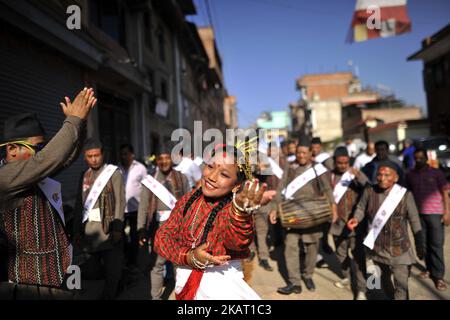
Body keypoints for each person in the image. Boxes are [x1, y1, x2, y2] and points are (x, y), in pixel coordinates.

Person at [0, 88, 96, 299]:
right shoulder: (4, 178)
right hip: (28, 283)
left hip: (57, 272)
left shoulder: (34, 174)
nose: (43, 151)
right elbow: (48, 159)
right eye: (38, 146)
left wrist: (80, 122)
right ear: (13, 149)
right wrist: (73, 120)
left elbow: (64, 158)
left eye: (44, 146)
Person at [153, 142, 269, 300]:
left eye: (224, 175)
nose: (212, 177)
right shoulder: (189, 199)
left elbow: (236, 242)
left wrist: (240, 212)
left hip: (222, 289)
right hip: (184, 284)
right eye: (210, 166)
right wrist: (189, 256)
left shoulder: (232, 209)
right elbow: (161, 238)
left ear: (236, 186)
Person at [347, 162, 425, 300]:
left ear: (395, 178)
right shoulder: (369, 191)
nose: (382, 178)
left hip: (399, 249)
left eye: (386, 175)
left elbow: (415, 221)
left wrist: (420, 244)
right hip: (378, 248)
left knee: (401, 285)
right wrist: (356, 218)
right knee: (383, 281)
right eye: (379, 174)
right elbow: (361, 207)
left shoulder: (405, 195)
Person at [269, 141, 337, 295]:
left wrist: (333, 206)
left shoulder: (317, 169)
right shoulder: (290, 167)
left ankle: (308, 275)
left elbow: (327, 188)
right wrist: (274, 208)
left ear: (310, 154)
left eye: (304, 153)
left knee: (312, 248)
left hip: (313, 214)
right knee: (290, 248)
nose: (301, 155)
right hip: (292, 215)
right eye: (298, 152)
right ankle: (295, 282)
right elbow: (280, 188)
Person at [73, 138, 125, 300]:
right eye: (90, 156)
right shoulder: (84, 175)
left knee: (112, 269)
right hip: (89, 230)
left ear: (103, 155)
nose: (94, 159)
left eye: (97, 155)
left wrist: (117, 227)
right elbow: (78, 204)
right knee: (91, 270)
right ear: (85, 157)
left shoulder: (113, 173)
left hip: (108, 228)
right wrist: (76, 231)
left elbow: (120, 201)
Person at [137, 144, 191, 300]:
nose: (164, 161)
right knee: (157, 264)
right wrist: (141, 228)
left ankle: (182, 296)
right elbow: (143, 207)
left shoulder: (182, 178)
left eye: (167, 158)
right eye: (161, 158)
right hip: (157, 227)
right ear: (157, 161)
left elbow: (189, 203)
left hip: (178, 227)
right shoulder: (149, 180)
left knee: (178, 263)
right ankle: (156, 297)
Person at [406, 148, 450, 291]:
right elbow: (407, 194)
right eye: (416, 158)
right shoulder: (410, 175)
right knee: (423, 245)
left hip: (435, 214)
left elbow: (445, 192)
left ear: (426, 159)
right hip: (418, 216)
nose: (418, 160)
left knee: (436, 245)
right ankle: (429, 269)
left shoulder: (436, 173)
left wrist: (447, 212)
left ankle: (438, 277)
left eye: (421, 158)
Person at [329, 147, 369, 300]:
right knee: (340, 255)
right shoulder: (330, 176)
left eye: (346, 162)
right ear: (335, 162)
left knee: (358, 258)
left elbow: (369, 187)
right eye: (340, 163)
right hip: (336, 225)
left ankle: (361, 290)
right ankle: (346, 277)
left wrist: (358, 175)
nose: (343, 166)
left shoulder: (355, 174)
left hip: (354, 224)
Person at [118, 143, 148, 267]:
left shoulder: (140, 168)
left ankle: (134, 262)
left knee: (135, 236)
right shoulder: (117, 169)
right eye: (122, 154)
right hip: (121, 210)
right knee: (121, 236)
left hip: (136, 209)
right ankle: (124, 259)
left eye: (126, 154)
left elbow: (146, 187)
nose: (124, 157)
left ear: (132, 154)